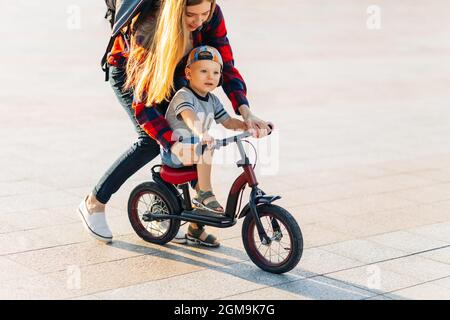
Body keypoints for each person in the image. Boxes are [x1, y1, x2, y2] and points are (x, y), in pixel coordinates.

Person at [78, 0, 271, 245]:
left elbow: (226, 65)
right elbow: (143, 107)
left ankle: (194, 224)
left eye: (205, 14)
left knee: (194, 134)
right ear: (176, 9)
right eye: (191, 14)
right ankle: (94, 203)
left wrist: (246, 112)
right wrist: (171, 143)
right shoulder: (149, 29)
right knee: (151, 140)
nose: (199, 21)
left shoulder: (211, 15)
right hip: (130, 72)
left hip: (178, 68)